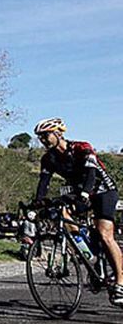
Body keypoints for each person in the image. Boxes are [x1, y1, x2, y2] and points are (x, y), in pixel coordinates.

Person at [33, 117, 123, 305]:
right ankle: (89, 253)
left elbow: (91, 175)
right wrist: (38, 202)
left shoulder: (82, 147)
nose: (43, 140)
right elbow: (44, 182)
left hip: (103, 191)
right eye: (40, 137)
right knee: (62, 213)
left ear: (58, 133)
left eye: (46, 135)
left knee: (105, 233)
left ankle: (121, 282)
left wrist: (84, 194)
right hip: (79, 191)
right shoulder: (48, 159)